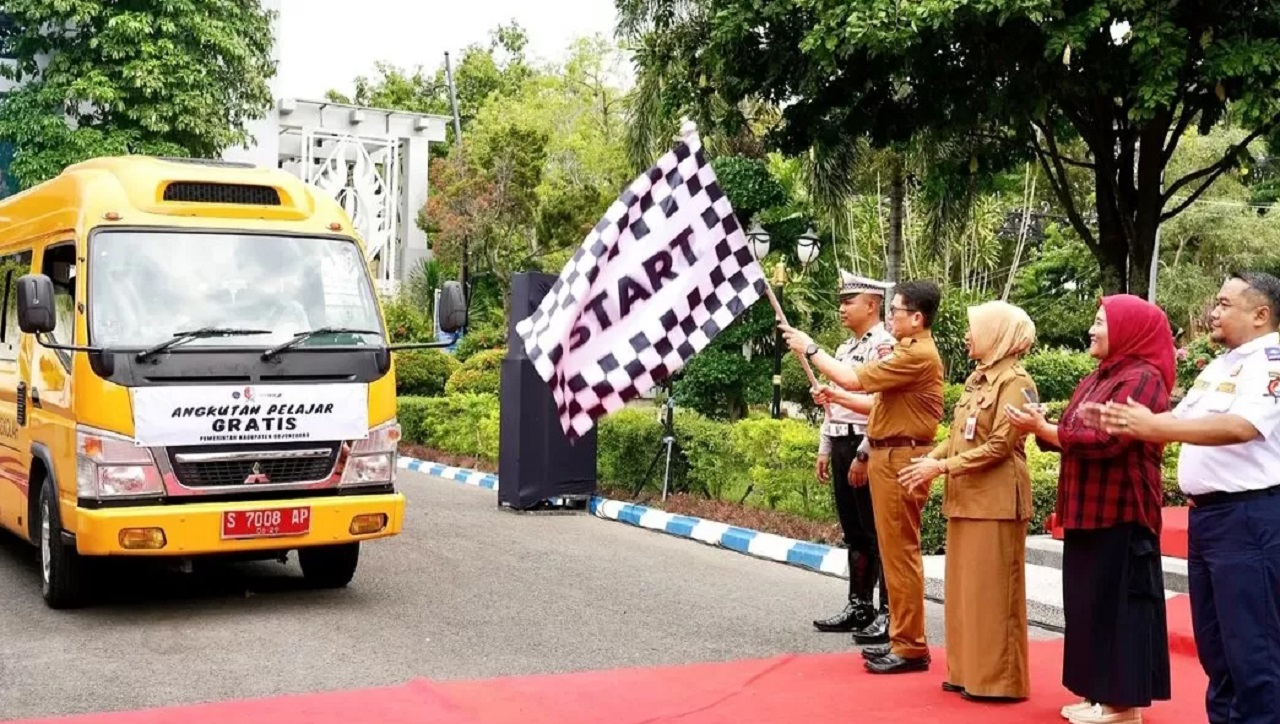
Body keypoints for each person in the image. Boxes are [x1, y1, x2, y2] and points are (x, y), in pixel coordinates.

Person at [1093, 271, 1280, 724]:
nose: (1213, 313)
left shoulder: (1271, 361)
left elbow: (1242, 426)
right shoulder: (1221, 366)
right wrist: (1136, 420)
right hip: (1210, 519)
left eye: (1224, 304)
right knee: (1217, 651)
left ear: (1260, 314)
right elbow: (1179, 419)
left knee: (1253, 651)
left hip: (1249, 517)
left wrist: (1155, 426)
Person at [1005, 294, 1173, 724]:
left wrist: (1045, 428)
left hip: (1121, 512)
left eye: (1100, 322)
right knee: (1088, 606)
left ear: (1128, 330)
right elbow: (1070, 429)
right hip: (1086, 511)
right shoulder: (1100, 376)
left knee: (1121, 607)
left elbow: (1108, 440)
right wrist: (1043, 425)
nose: (1092, 330)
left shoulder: (1143, 378)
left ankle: (1122, 704)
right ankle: (1097, 693)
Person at [783, 279, 945, 674]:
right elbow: (875, 404)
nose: (891, 316)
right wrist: (836, 397)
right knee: (890, 551)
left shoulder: (916, 354)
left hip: (901, 454)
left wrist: (810, 348)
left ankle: (910, 645)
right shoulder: (906, 351)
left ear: (917, 318)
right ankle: (902, 637)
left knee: (899, 554)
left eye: (897, 310)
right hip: (889, 452)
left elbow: (854, 379)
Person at [897, 300, 1037, 701]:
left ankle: (999, 681)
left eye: (974, 329)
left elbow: (998, 447)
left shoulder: (1016, 382)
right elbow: (958, 436)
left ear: (996, 333)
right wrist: (931, 459)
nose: (966, 336)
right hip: (965, 498)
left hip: (996, 502)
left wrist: (940, 468)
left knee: (994, 595)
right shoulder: (979, 379)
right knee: (965, 594)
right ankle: (967, 672)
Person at [810, 272, 896, 638]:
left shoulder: (884, 346)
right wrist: (825, 447)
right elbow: (834, 404)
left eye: (849, 301)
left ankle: (889, 613)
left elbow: (884, 405)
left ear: (872, 305)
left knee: (878, 532)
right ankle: (859, 606)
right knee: (855, 531)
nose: (842, 308)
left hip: (867, 443)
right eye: (842, 302)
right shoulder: (845, 348)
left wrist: (864, 452)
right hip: (842, 441)